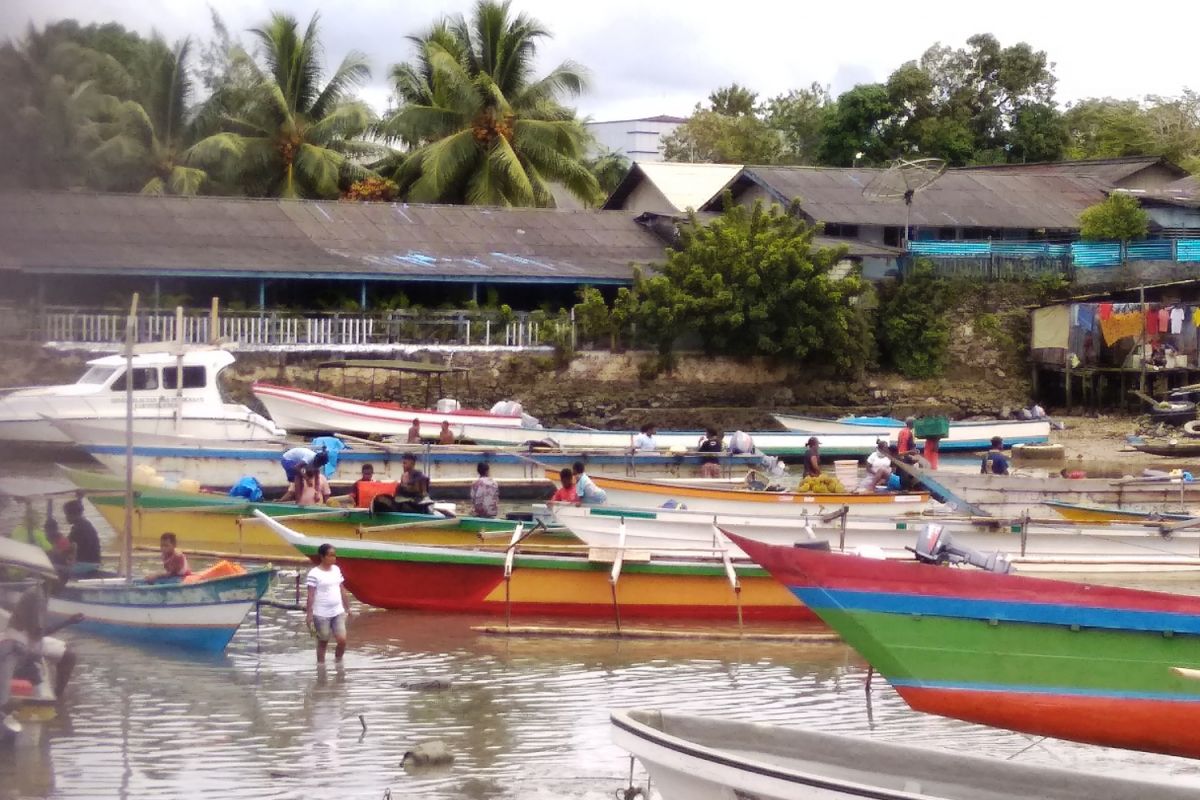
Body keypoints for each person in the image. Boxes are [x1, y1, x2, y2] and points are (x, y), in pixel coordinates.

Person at [0, 583, 81, 722]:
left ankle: (57, 697)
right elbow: (38, 632)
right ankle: (46, 700)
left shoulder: (42, 594)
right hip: (18, 639)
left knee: (68, 655)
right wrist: (68, 622)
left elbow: (38, 633)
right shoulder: (37, 596)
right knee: (27, 663)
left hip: (29, 640)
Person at [304, 544, 352, 664]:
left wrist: (348, 608)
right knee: (323, 640)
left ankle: (338, 663)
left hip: (338, 611)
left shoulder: (336, 570)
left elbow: (342, 589)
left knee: (342, 640)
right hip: (321, 613)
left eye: (334, 555)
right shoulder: (314, 573)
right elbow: (310, 595)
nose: (334, 558)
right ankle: (321, 667)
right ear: (322, 557)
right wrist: (309, 614)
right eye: (330, 555)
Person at [63, 500, 101, 577]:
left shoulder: (78, 528)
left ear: (72, 514)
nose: (66, 517)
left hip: (85, 565)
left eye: (66, 514)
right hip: (94, 563)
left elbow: (65, 547)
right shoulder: (86, 524)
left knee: (55, 570)